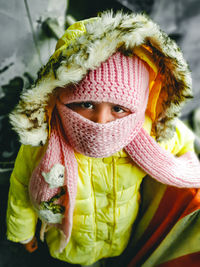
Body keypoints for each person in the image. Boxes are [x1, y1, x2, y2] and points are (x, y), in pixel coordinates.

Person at [6, 10, 200, 266]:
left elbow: (182, 141)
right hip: (66, 245)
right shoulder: (43, 142)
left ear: (138, 109)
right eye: (86, 103)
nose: (100, 120)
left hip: (120, 237)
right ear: (59, 96)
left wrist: (183, 162)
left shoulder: (149, 133)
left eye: (118, 109)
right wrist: (22, 234)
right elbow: (20, 191)